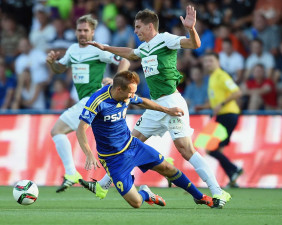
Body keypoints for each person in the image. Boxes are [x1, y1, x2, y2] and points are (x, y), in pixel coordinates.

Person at [85, 6, 231, 207]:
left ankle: (218, 191)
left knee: (185, 149)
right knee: (129, 143)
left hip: (172, 101)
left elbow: (194, 44)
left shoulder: (166, 39)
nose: (135, 31)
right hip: (155, 105)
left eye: (138, 27)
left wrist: (191, 28)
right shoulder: (144, 47)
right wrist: (105, 47)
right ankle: (103, 185)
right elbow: (131, 54)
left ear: (150, 26)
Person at [77, 70, 224, 209]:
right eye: (131, 93)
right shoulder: (97, 101)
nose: (133, 96)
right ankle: (145, 193)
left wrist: (167, 110)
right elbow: (80, 129)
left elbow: (143, 102)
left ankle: (200, 196)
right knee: (136, 203)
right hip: (112, 159)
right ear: (118, 90)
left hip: (132, 145)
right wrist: (89, 153)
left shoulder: (126, 94)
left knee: (168, 168)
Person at [46, 14, 130, 193]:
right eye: (79, 30)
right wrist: (53, 63)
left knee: (57, 131)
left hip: (92, 100)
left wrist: (116, 81)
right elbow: (61, 68)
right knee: (118, 146)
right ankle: (107, 183)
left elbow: (125, 60)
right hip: (93, 103)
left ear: (92, 32)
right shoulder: (72, 50)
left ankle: (71, 173)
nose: (82, 33)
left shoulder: (98, 50)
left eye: (86, 30)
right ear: (75, 31)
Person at [196, 52, 243, 188]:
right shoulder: (212, 78)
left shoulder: (221, 76)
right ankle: (233, 178)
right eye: (206, 61)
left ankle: (234, 169)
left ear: (218, 62)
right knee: (217, 149)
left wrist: (221, 105)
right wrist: (204, 107)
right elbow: (217, 102)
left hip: (228, 115)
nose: (207, 64)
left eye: (210, 61)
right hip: (223, 115)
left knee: (210, 148)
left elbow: (237, 92)